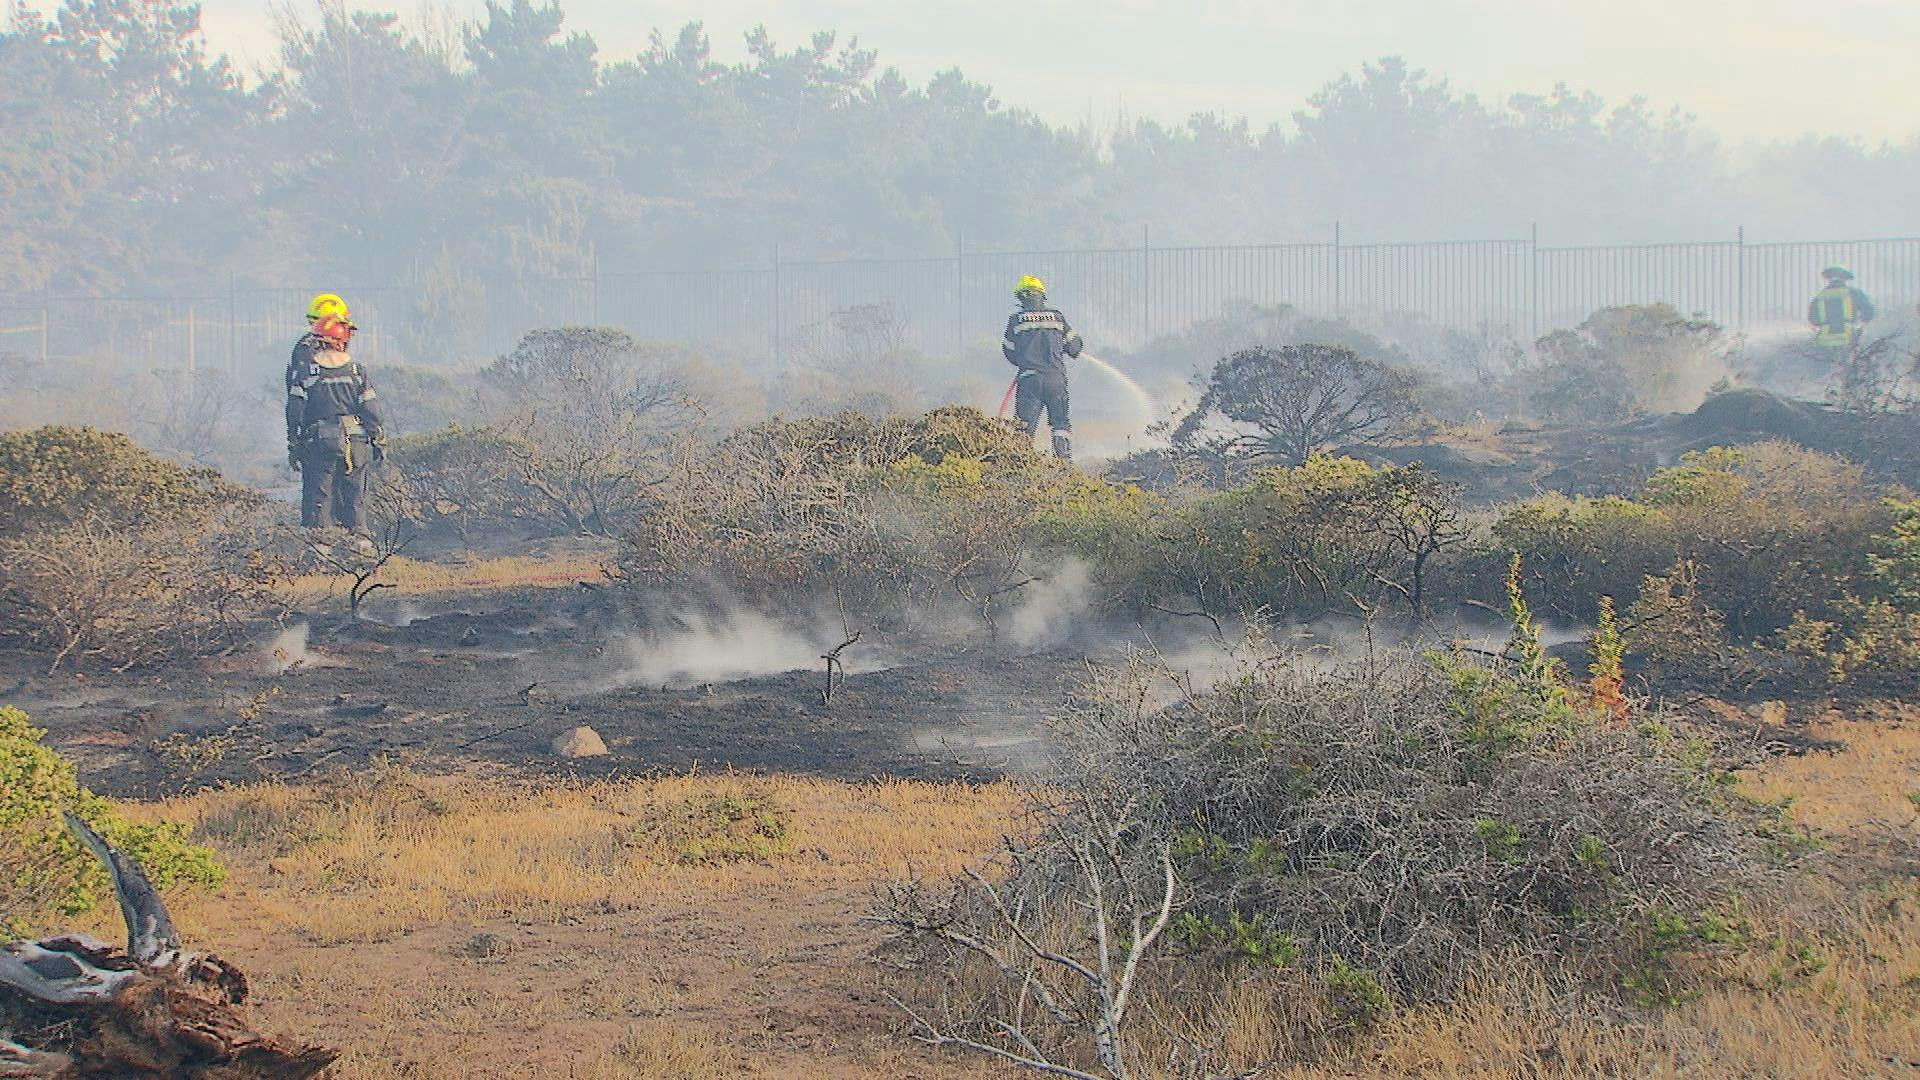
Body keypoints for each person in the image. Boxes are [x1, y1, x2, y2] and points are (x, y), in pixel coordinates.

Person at [285, 308, 387, 557]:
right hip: (356, 442)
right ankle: (360, 547)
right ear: (342, 341)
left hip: (318, 443)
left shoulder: (306, 372)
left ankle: (320, 550)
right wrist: (378, 440)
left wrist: (294, 442)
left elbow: (295, 410)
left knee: (318, 494)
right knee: (355, 493)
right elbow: (371, 410)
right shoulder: (356, 371)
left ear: (319, 341)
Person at [1001, 275, 1083, 461]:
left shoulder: (1016, 320)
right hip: (1056, 380)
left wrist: (1025, 360)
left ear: (1021, 297)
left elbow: (1009, 351)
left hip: (1029, 380)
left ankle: (1021, 467)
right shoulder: (1057, 317)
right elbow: (1075, 347)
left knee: (1024, 427)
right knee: (1060, 424)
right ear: (1041, 296)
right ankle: (1063, 466)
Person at [1808, 265, 1876, 352]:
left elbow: (1813, 319)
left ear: (1828, 279)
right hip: (1849, 339)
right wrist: (1861, 325)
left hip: (1824, 342)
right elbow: (1868, 311)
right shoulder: (1854, 293)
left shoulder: (1820, 296)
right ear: (1845, 279)